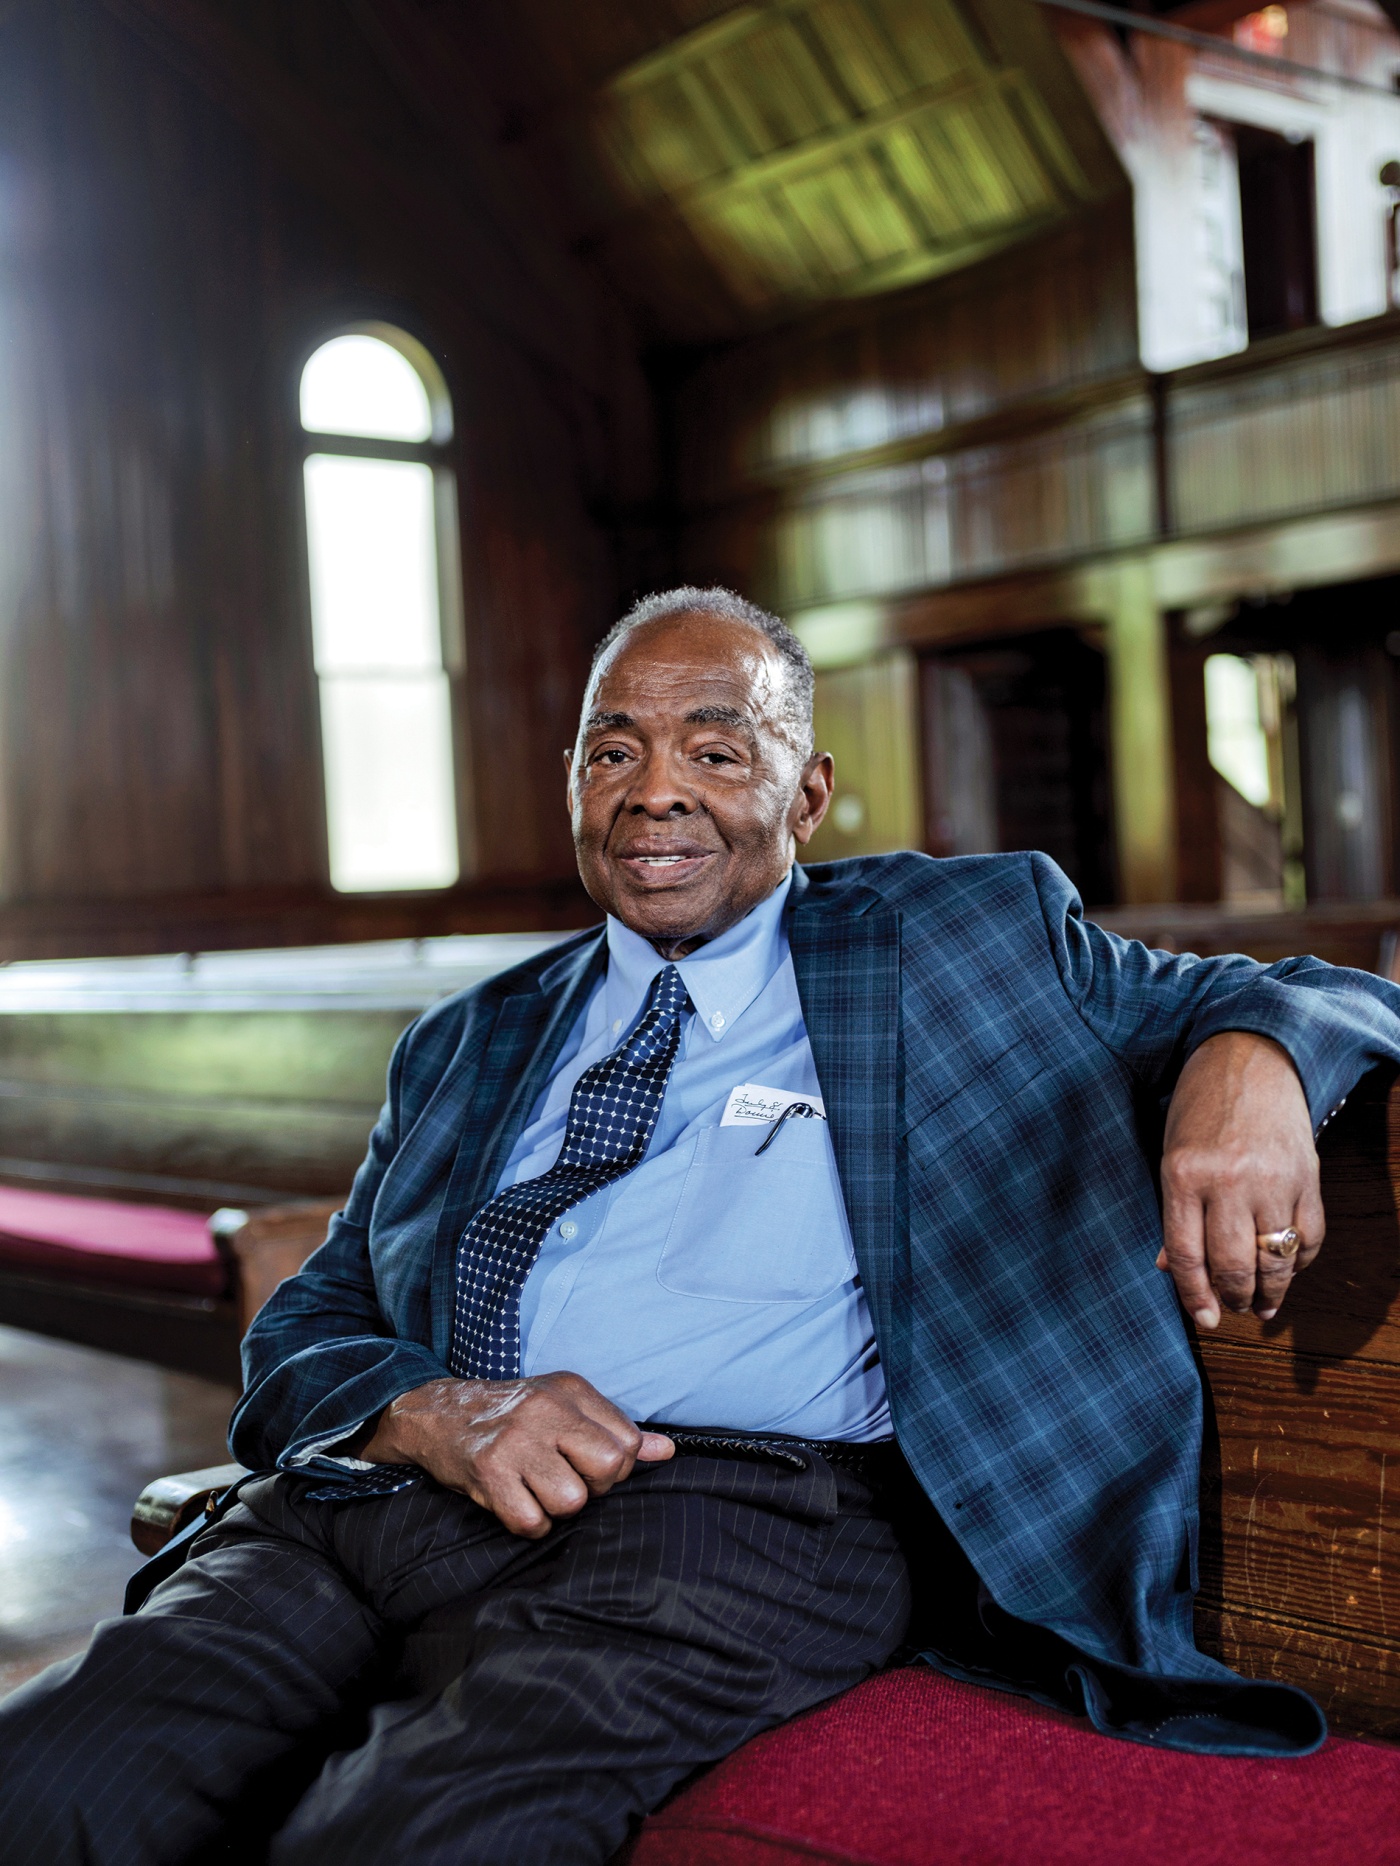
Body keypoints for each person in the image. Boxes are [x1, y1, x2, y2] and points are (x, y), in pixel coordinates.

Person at [3, 586, 1399, 1865]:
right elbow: (308, 1321)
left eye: (716, 751)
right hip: (382, 1497)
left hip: (732, 1519)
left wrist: (1248, 1065)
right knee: (54, 1780)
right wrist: (435, 1410)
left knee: (405, 1838)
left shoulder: (963, 935)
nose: (653, 790)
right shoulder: (470, 1038)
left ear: (808, 792)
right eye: (611, 751)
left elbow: (1321, 990)